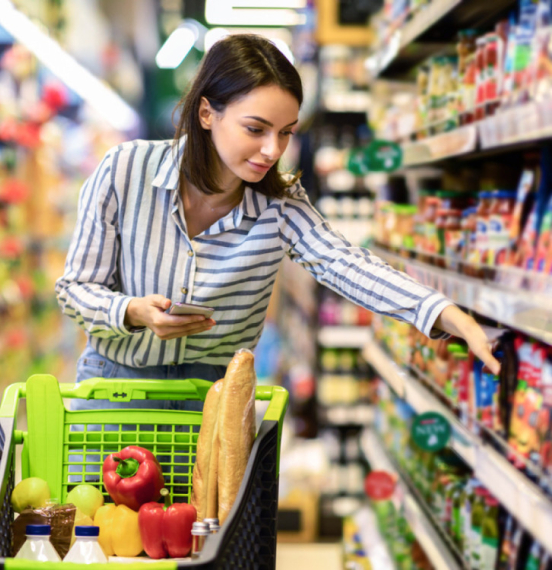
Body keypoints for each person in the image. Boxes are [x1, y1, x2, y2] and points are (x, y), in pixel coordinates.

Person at [55, 34, 499, 415]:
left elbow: (346, 264)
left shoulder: (280, 202)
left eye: (286, 132)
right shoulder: (126, 169)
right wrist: (132, 312)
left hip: (217, 402)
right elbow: (75, 287)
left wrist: (445, 314)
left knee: (212, 519)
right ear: (207, 114)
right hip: (115, 391)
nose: (272, 150)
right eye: (256, 128)